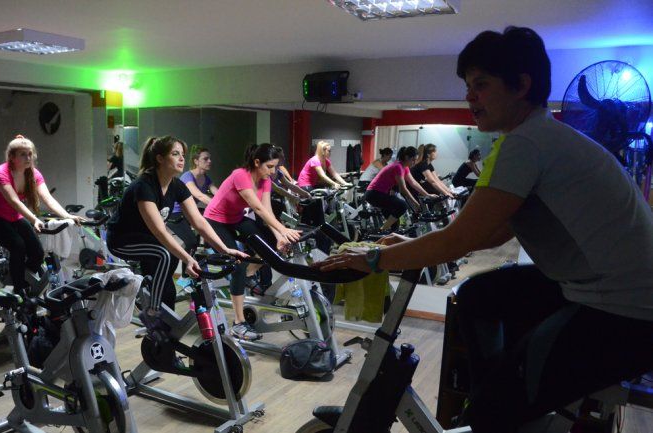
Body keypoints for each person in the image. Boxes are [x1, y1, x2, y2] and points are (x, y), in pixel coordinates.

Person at [314, 26, 653, 433]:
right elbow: (493, 231)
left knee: (492, 410)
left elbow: (464, 238)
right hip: (596, 289)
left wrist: (374, 258)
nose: (470, 96)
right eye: (468, 85)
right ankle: (497, 397)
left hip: (624, 311)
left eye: (481, 84)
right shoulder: (540, 138)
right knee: (479, 296)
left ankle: (494, 409)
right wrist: (413, 246)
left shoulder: (525, 144)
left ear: (521, 85)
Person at [106, 136, 247, 313]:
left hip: (146, 238)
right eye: (175, 154)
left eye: (182, 154)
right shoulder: (144, 186)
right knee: (164, 254)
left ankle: (163, 307)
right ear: (160, 158)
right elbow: (160, 232)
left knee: (169, 270)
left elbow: (199, 222)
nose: (182, 159)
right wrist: (187, 259)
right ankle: (154, 311)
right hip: (122, 240)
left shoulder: (177, 185)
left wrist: (224, 249)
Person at [204, 143, 302, 341]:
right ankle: (238, 323)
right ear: (257, 162)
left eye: (275, 167)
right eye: (270, 166)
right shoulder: (241, 175)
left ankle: (248, 274)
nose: (273, 171)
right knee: (237, 264)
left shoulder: (265, 180)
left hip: (235, 219)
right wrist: (283, 229)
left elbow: (266, 211)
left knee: (266, 244)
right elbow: (257, 208)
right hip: (215, 220)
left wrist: (279, 236)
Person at [0, 135, 83, 295]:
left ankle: (20, 276)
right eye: (23, 154)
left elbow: (47, 198)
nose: (28, 158)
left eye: (30, 154)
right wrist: (34, 219)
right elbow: (14, 201)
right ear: (12, 157)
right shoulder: (1, 173)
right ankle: (19, 290)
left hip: (13, 217)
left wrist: (68, 216)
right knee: (17, 245)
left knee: (37, 252)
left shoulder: (33, 174)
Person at [364, 146, 434, 231]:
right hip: (374, 194)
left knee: (395, 224)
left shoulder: (405, 168)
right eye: (413, 160)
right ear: (406, 157)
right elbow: (403, 190)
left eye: (415, 160)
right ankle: (381, 231)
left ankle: (387, 237)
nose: (414, 162)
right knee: (402, 206)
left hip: (379, 194)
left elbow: (413, 183)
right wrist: (415, 203)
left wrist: (428, 195)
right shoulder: (398, 167)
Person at [167, 146, 219, 254]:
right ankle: (187, 268)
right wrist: (220, 207)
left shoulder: (206, 178)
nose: (209, 161)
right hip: (175, 214)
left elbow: (218, 195)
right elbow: (200, 196)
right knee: (191, 243)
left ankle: (207, 246)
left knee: (210, 220)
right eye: (205, 159)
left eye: (210, 158)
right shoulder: (187, 176)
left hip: (188, 212)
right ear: (196, 161)